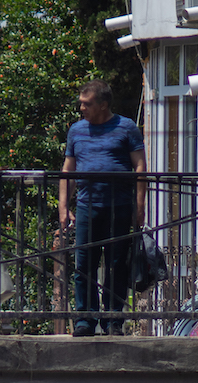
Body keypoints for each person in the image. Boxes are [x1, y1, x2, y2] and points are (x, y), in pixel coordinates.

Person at [58, 80, 147, 337]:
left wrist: (139, 206)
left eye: (86, 104)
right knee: (84, 264)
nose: (81, 108)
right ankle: (85, 318)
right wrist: (64, 207)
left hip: (119, 206)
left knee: (116, 265)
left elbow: (140, 167)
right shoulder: (76, 130)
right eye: (81, 103)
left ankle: (112, 320)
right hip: (87, 206)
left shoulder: (127, 127)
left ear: (103, 105)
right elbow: (68, 171)